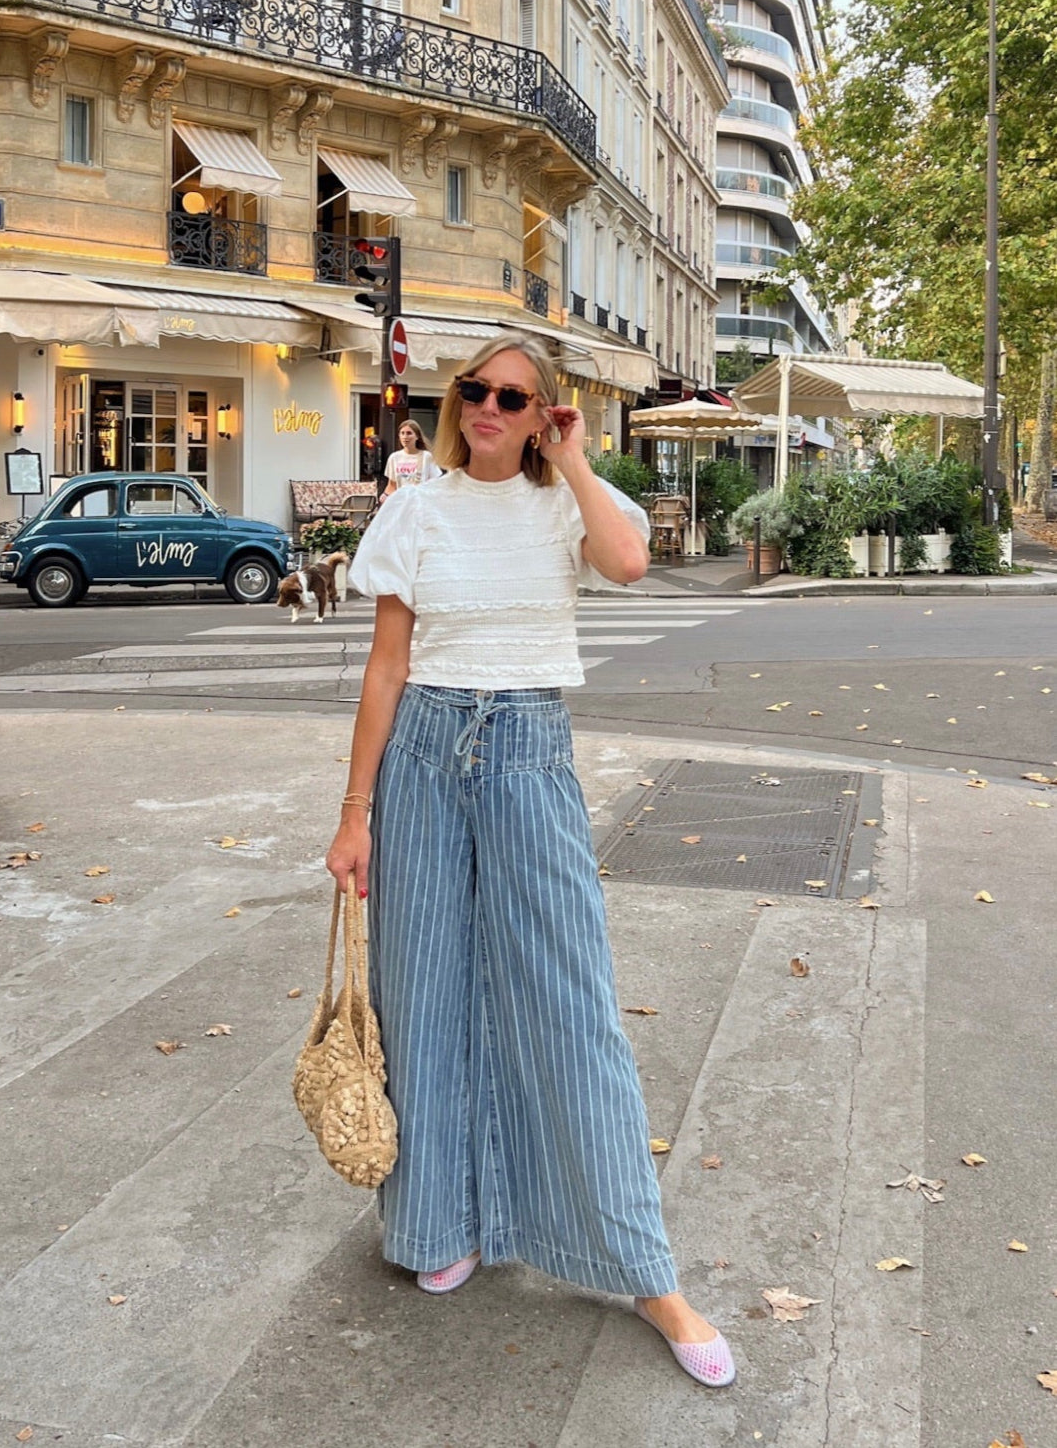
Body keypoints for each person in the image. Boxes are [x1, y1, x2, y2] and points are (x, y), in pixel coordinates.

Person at [324, 335, 735, 1388]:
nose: (490, 407)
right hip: (420, 754)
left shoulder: (566, 506)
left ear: (545, 413)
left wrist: (577, 458)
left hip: (525, 751)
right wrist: (354, 811)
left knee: (570, 1003)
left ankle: (644, 1273)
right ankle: (441, 1219)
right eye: (476, 390)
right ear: (455, 400)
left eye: (514, 397)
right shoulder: (415, 507)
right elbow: (385, 666)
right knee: (422, 994)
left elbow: (629, 562)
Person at [380, 419, 439, 502]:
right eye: (402, 433)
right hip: (401, 502)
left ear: (417, 436)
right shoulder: (394, 457)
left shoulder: (426, 456)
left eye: (409, 433)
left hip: (420, 502)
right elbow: (392, 485)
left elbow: (434, 483)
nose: (405, 437)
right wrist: (385, 495)